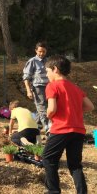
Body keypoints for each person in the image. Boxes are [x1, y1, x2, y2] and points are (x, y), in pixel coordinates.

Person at [42, 55, 94, 194]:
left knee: (48, 158)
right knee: (75, 165)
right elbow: (90, 106)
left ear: (55, 69)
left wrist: (48, 115)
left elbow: (52, 109)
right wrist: (74, 110)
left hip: (61, 129)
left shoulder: (52, 86)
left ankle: (53, 191)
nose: (47, 74)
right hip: (78, 131)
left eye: (47, 71)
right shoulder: (76, 88)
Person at [23, 42, 49, 132]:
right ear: (36, 51)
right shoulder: (32, 61)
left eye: (44, 51)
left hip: (49, 87)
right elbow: (26, 77)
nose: (41, 53)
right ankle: (48, 129)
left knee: (41, 109)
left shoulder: (48, 61)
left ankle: (35, 128)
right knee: (42, 108)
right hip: (38, 88)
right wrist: (28, 90)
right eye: (40, 51)